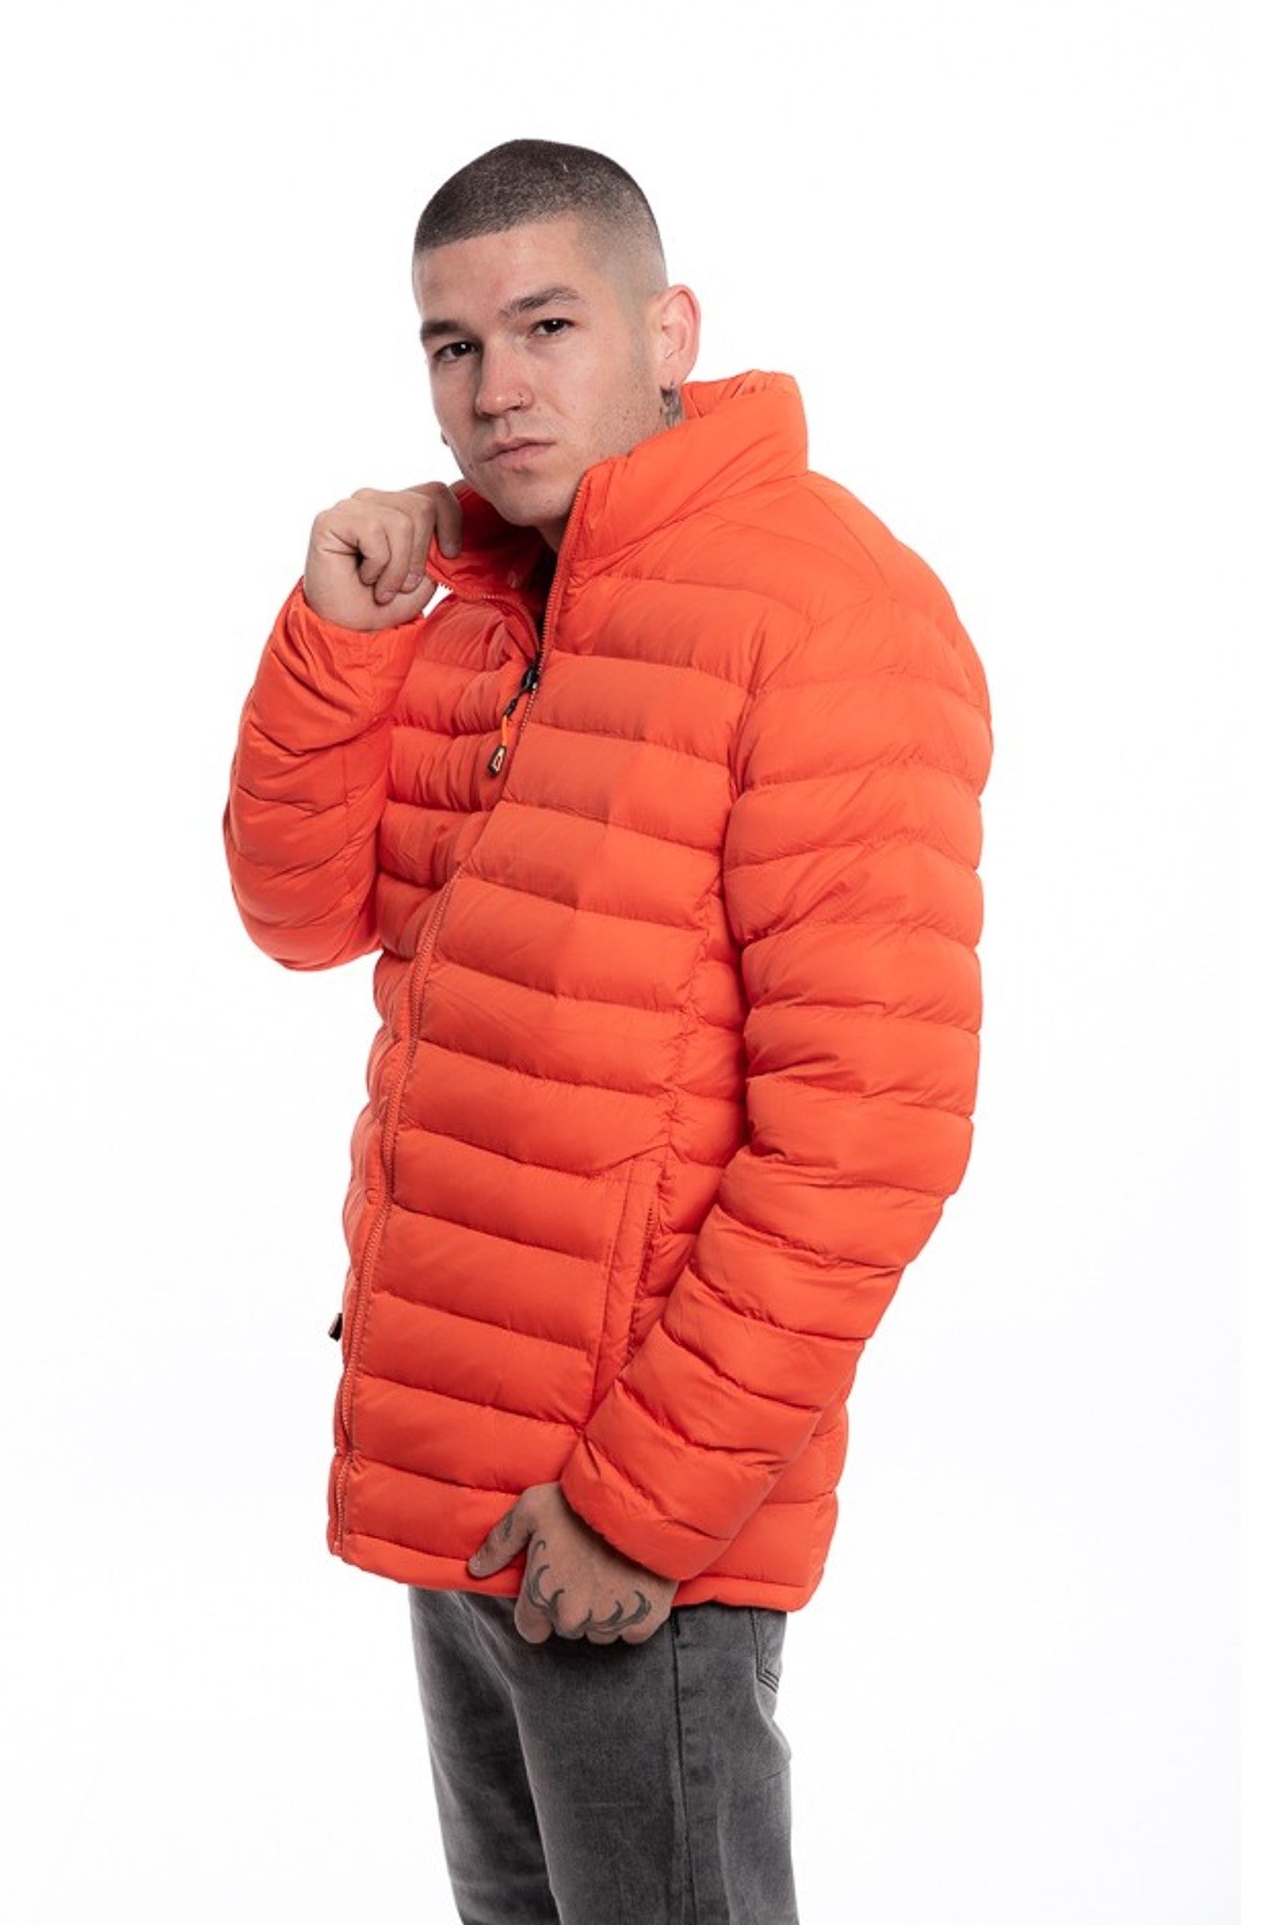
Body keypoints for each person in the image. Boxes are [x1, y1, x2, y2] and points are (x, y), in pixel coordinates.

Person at [223, 138, 991, 1924]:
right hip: (463, 1472)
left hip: (633, 1519)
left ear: (669, 330)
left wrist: (643, 1506)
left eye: (547, 325)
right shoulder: (484, 597)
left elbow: (867, 1131)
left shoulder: (826, 611)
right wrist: (342, 636)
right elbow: (300, 912)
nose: (495, 388)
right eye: (454, 345)